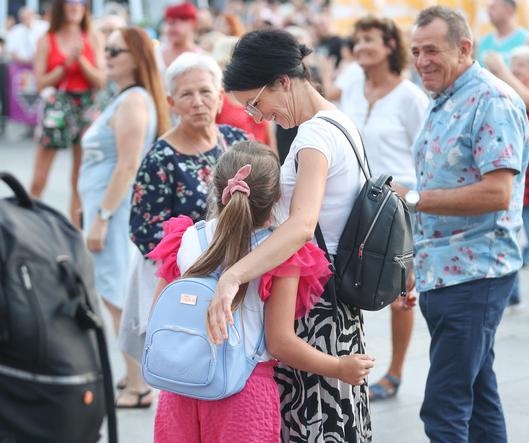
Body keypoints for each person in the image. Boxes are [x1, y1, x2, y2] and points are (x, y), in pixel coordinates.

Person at [147, 142, 375, 442]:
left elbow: (156, 315)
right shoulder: (280, 253)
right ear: (278, 196)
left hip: (178, 388)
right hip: (242, 392)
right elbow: (280, 343)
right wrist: (339, 367)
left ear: (217, 188)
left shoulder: (187, 238)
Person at [213, 29, 371, 441]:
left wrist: (233, 277)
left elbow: (302, 226)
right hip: (333, 304)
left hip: (314, 307)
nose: (257, 117)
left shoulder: (314, 138)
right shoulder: (338, 122)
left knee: (314, 425)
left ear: (283, 81)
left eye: (256, 103)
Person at [401, 6, 529, 441]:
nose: (422, 61)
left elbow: (497, 193)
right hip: (447, 271)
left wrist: (415, 200)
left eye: (432, 50)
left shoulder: (491, 100)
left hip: (476, 273)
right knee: (478, 393)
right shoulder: (446, 98)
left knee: (444, 405)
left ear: (464, 48)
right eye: (416, 51)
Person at [120, 53, 247, 407]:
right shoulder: (161, 157)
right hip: (187, 284)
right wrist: (198, 260)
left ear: (221, 96)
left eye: (206, 92)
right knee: (192, 373)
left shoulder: (235, 140)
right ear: (171, 103)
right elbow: (144, 231)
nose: (198, 102)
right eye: (187, 95)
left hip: (240, 276)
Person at [338, 15, 429, 401]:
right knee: (348, 284)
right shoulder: (350, 86)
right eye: (357, 40)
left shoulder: (411, 96)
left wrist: (410, 194)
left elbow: (428, 158)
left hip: (397, 208)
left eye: (369, 39)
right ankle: (345, 365)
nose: (361, 47)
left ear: (391, 45)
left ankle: (394, 371)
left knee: (400, 294)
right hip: (355, 206)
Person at [78, 27, 169, 408]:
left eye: (117, 50)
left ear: (136, 57)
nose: (108, 54)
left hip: (112, 213)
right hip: (106, 209)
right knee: (114, 293)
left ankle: (138, 384)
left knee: (117, 296)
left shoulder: (134, 101)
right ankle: (132, 375)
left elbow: (128, 165)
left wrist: (101, 216)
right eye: (108, 47)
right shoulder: (125, 98)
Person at [485, 46, 529, 319]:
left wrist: (500, 71)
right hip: (509, 183)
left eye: (520, 67)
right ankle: (512, 297)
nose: (514, 71)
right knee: (506, 242)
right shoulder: (503, 97)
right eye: (512, 65)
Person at [31, 0, 105, 229]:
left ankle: (74, 234)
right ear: (61, 6)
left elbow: (101, 81)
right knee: (39, 177)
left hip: (85, 104)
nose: (75, 6)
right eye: (70, 2)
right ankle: (28, 225)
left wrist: (81, 60)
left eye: (81, 2)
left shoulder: (93, 38)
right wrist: (66, 64)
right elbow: (40, 83)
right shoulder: (47, 39)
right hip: (57, 104)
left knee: (79, 178)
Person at [476, 0, 529, 66]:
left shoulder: (527, 40)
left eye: (493, 7)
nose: (488, 12)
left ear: (509, 9)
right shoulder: (483, 41)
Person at [159, 2, 201, 69]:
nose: (170, 28)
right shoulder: (156, 54)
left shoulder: (201, 58)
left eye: (175, 23)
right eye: (168, 23)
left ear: (192, 24)